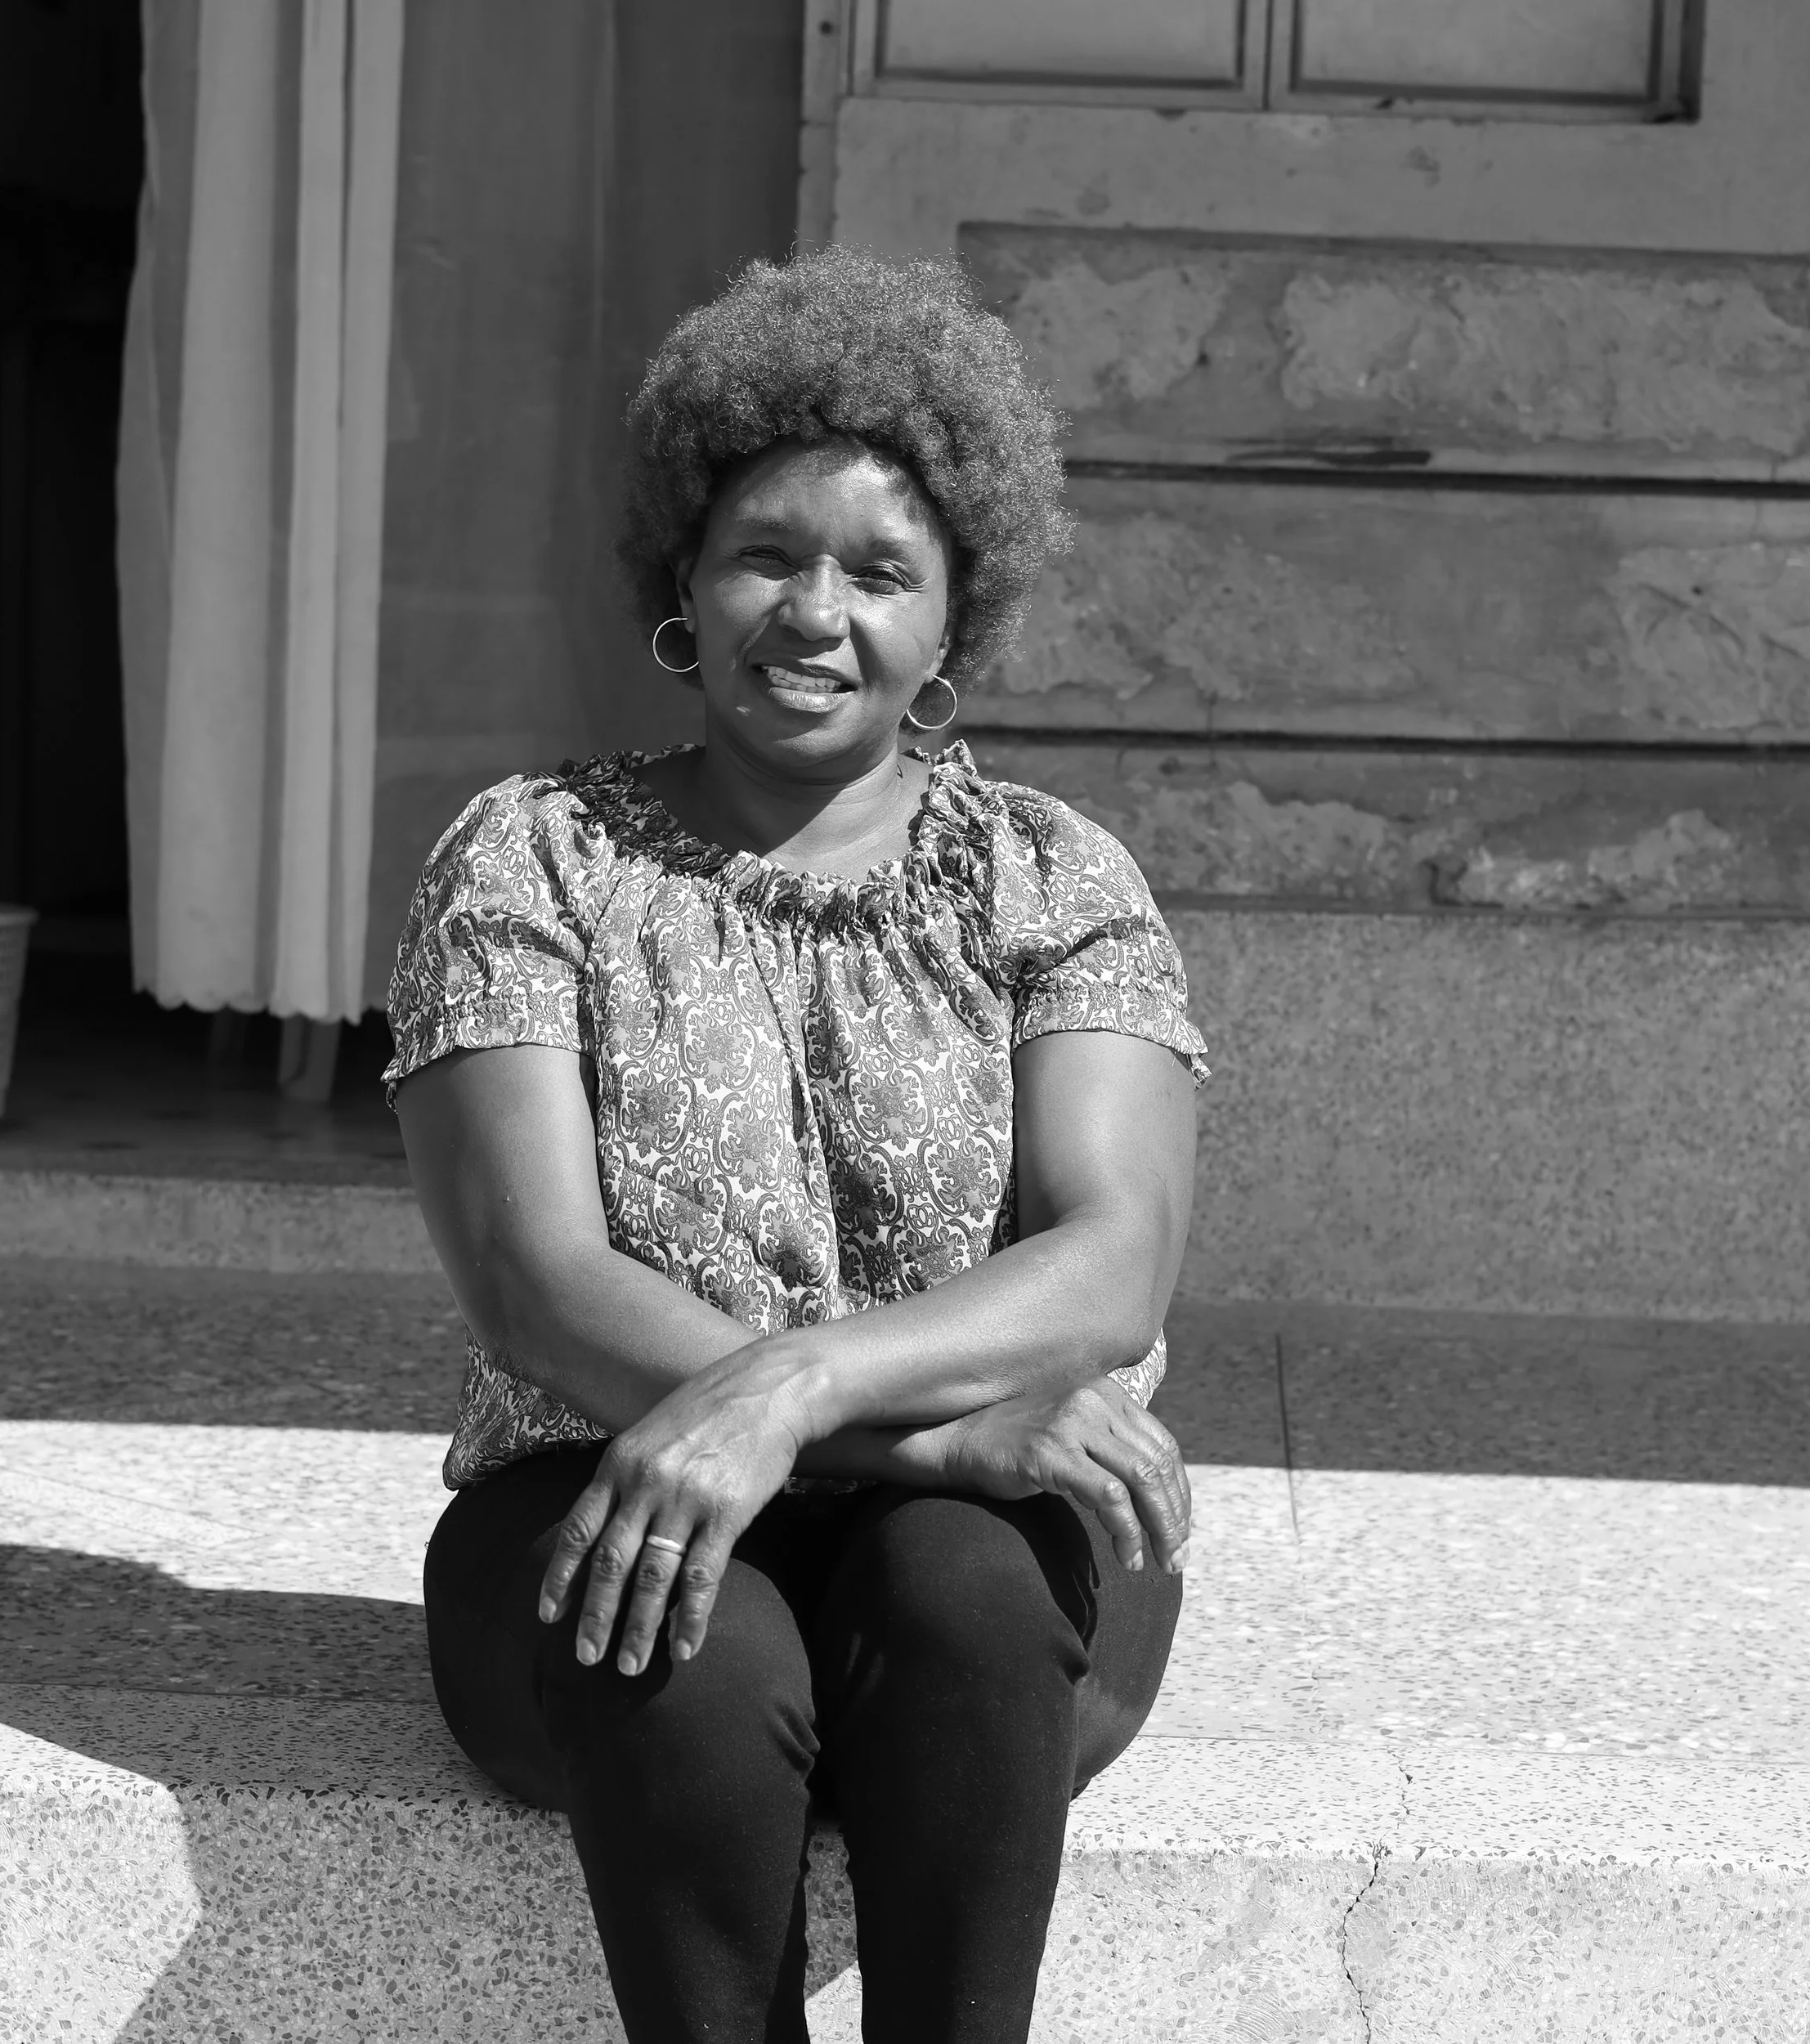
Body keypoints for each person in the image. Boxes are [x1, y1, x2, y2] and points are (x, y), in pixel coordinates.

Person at [386, 244, 1208, 2044]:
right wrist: (935, 1420)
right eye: (765, 553)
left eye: (880, 571)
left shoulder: (1051, 875)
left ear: (952, 621)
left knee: (964, 1590)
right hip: (599, 1482)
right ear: (682, 578)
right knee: (671, 1615)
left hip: (984, 1534)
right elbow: (536, 1281)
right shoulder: (530, 860)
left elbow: (1112, 1255)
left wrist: (790, 1395)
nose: (813, 612)